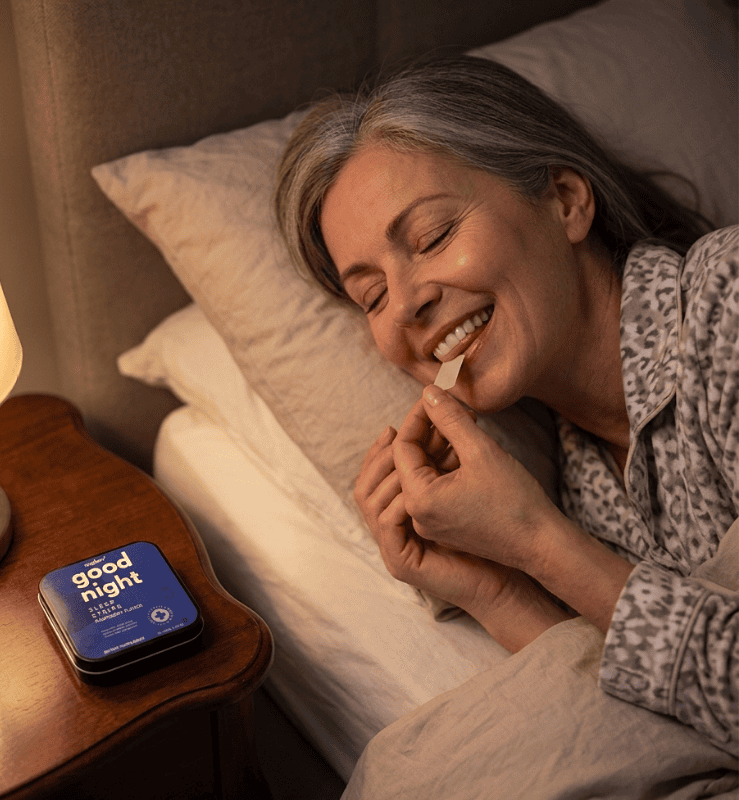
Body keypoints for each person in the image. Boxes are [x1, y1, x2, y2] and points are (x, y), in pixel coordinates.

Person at [274, 55, 738, 754]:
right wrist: (490, 589)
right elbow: (648, 727)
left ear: (564, 200)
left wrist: (536, 541)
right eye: (371, 295)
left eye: (432, 238)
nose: (406, 305)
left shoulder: (726, 303)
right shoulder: (583, 489)